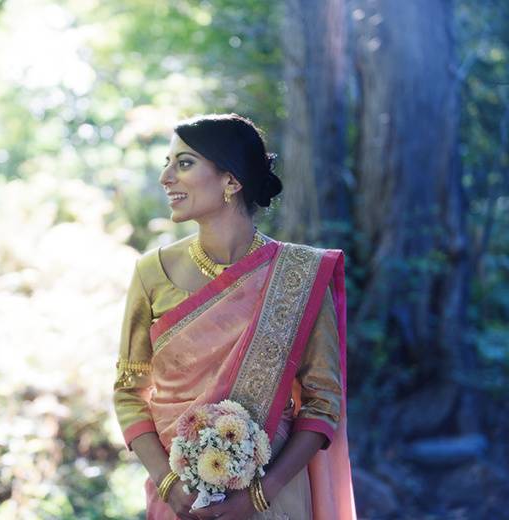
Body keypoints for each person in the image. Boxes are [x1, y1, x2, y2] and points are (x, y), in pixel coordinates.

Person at [113, 114, 356, 520]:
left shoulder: (297, 275)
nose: (166, 177)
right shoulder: (151, 273)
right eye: (166, 162)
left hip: (276, 497)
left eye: (184, 163)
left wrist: (260, 494)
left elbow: (322, 400)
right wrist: (168, 484)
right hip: (180, 498)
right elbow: (129, 391)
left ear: (231, 180)